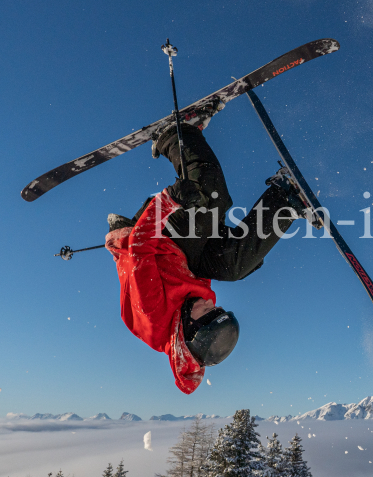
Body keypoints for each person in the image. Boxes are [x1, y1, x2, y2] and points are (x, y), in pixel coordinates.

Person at [104, 123, 309, 393]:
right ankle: (285, 197)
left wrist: (169, 200)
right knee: (234, 266)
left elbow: (139, 246)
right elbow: (208, 268)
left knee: (209, 198)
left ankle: (171, 135)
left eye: (209, 313)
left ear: (189, 328)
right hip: (184, 260)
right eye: (219, 311)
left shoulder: (153, 314)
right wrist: (246, 254)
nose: (212, 304)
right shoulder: (195, 307)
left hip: (150, 240)